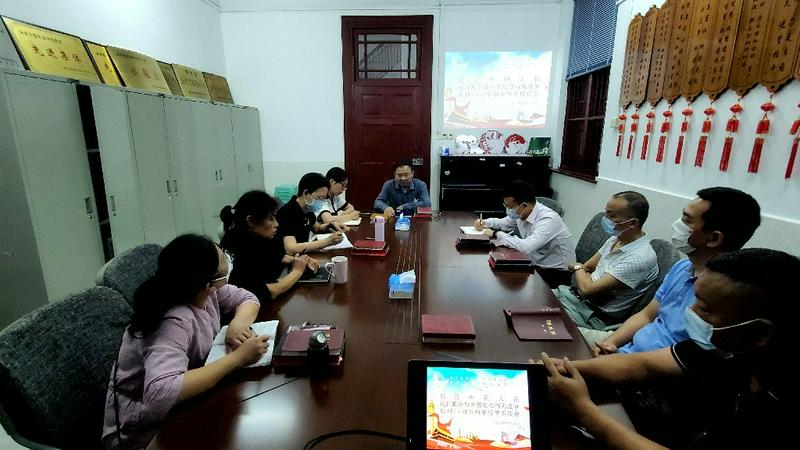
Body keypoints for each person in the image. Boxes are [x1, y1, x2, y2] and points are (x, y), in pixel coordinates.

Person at [541, 248, 798, 449]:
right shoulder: (719, 348)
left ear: (761, 332)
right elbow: (641, 364)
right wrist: (563, 367)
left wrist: (583, 409)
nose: (691, 312)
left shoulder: (775, 407)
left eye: (705, 308)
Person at [102, 234, 269, 449]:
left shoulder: (199, 289)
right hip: (143, 433)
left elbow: (248, 299)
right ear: (208, 284)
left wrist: (238, 324)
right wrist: (237, 358)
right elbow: (160, 395)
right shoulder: (172, 319)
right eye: (223, 271)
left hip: (184, 403)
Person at [589, 187, 761, 355]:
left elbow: (679, 362)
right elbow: (647, 316)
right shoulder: (680, 268)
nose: (677, 224)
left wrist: (607, 364)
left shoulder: (721, 295)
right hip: (625, 347)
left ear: (714, 238)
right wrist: (610, 343)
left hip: (642, 368)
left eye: (687, 220)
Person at [555, 191, 658, 332]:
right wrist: (582, 271)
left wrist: (579, 269)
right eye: (606, 214)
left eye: (612, 216)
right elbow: (587, 267)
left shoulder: (639, 258)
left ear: (632, 223)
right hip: (573, 298)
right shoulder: (615, 239)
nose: (606, 219)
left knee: (532, 320)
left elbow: (586, 289)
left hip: (591, 316)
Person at [220, 190, 321, 301]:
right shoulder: (237, 245)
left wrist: (299, 260)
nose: (276, 224)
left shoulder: (259, 237)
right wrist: (297, 271)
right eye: (271, 219)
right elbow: (270, 291)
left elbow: (277, 257)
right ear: (251, 221)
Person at [474, 180, 576, 287]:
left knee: (508, 283)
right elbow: (503, 223)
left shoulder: (547, 219)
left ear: (524, 205)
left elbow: (526, 247)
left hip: (557, 274)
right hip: (536, 264)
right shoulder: (521, 213)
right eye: (506, 206)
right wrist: (485, 223)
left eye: (510, 207)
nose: (508, 210)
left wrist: (496, 234)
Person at [277, 172, 344, 254]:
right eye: (319, 198)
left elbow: (317, 228)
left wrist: (330, 225)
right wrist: (327, 242)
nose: (321, 202)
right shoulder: (288, 212)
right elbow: (291, 248)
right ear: (306, 193)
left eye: (323, 199)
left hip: (304, 255)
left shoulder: (308, 208)